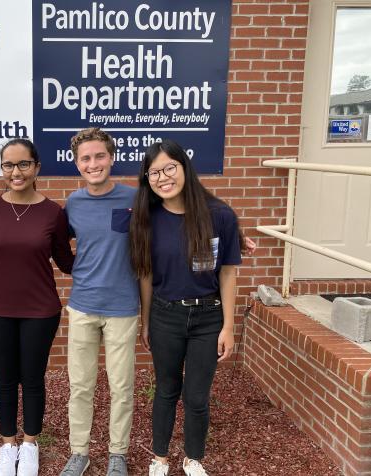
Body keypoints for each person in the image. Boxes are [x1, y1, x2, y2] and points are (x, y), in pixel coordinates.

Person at [129, 139, 242, 476]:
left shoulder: (219, 214)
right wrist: (146, 322)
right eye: (154, 172)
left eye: (169, 168)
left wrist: (228, 326)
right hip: (165, 315)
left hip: (208, 318)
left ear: (184, 167)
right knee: (166, 390)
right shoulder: (147, 218)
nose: (163, 177)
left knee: (196, 396)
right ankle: (159, 458)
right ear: (147, 179)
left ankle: (193, 458)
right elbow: (145, 276)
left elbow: (228, 273)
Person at [0, 138, 74, 476]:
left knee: (32, 379)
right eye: (8, 165)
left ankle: (30, 444)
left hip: (40, 310)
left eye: (23, 164)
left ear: (37, 168)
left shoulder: (53, 212)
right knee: (4, 380)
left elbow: (66, 260)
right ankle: (8, 445)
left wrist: (113, 249)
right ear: (1, 169)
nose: (15, 172)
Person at [60, 128, 140, 476]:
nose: (93, 164)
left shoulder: (135, 198)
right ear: (77, 163)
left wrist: (231, 231)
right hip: (82, 306)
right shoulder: (73, 204)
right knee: (80, 385)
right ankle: (80, 452)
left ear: (112, 157)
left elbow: (180, 216)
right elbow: (54, 245)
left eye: (99, 156)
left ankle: (117, 454)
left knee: (121, 386)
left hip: (123, 307)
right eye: (86, 159)